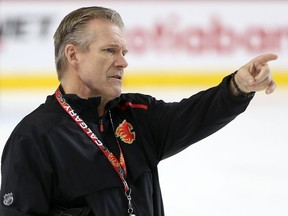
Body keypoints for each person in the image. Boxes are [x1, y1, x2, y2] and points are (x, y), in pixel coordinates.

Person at [0, 6, 277, 216]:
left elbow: (194, 115)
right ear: (73, 55)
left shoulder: (136, 114)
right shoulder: (33, 139)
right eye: (110, 50)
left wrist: (237, 87)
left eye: (124, 52)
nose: (122, 62)